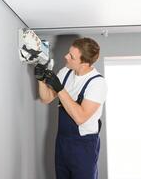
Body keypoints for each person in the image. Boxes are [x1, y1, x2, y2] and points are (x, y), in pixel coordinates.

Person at [35, 37, 107, 179]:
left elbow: (80, 118)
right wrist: (41, 80)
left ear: (84, 63)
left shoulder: (97, 83)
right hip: (62, 141)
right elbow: (46, 98)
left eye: (71, 56)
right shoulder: (66, 72)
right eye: (68, 53)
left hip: (83, 145)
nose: (65, 56)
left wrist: (60, 89)